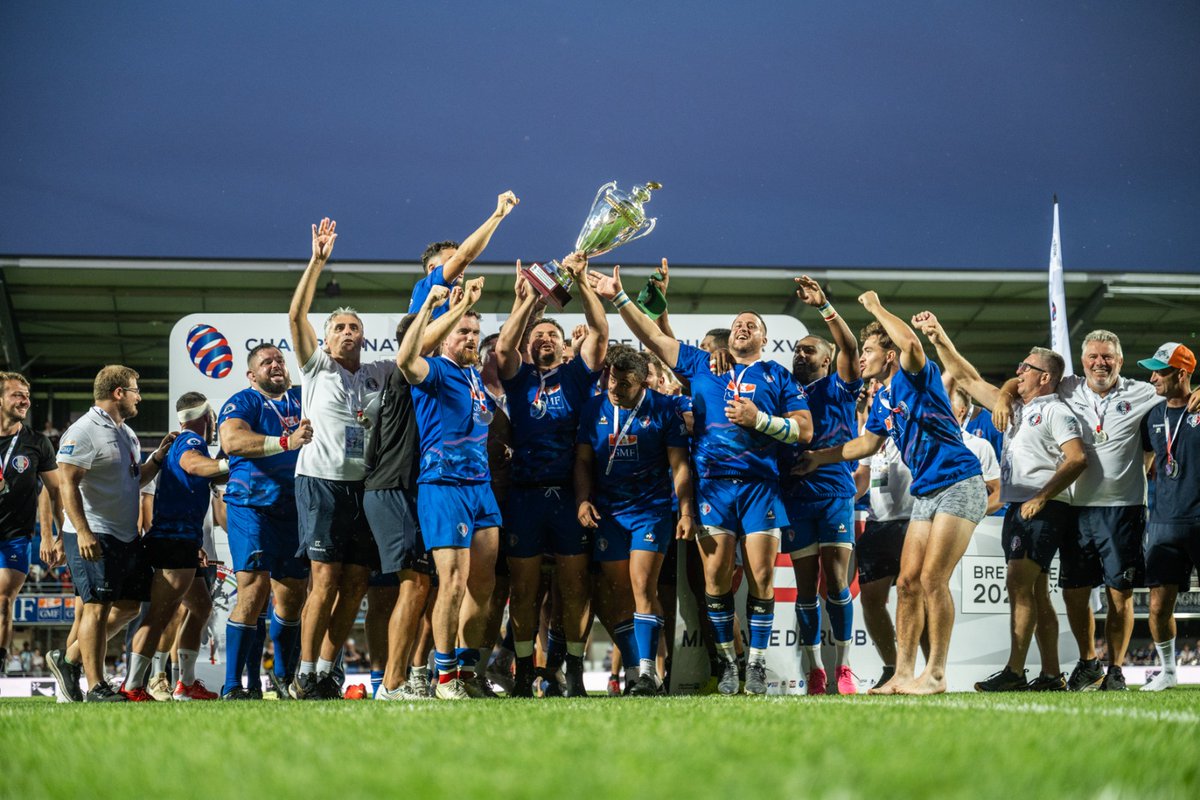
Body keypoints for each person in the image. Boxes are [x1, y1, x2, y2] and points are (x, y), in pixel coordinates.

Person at [587, 264, 812, 695]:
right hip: (713, 487)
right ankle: (729, 663)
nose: (743, 327)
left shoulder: (777, 376)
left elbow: (804, 430)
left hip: (760, 487)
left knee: (763, 577)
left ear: (764, 339)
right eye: (737, 324)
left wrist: (759, 419)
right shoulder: (701, 364)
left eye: (752, 325)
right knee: (715, 580)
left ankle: (758, 667)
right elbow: (653, 338)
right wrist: (618, 297)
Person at [801, 294, 986, 695]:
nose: (861, 357)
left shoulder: (912, 373)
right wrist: (818, 457)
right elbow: (865, 444)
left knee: (933, 579)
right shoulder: (883, 398)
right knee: (906, 582)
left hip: (959, 482)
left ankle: (935, 674)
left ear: (888, 354)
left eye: (868, 350)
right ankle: (902, 673)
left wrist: (875, 309)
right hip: (926, 492)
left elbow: (913, 344)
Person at [994, 331, 1187, 691]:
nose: (1100, 363)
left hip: (1123, 508)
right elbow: (1024, 377)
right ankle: (1088, 663)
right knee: (1075, 592)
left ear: (1120, 361)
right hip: (1078, 509)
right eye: (1093, 357)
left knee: (1120, 594)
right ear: (1083, 362)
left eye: (1108, 357)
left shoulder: (1140, 392)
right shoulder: (1067, 387)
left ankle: (1115, 670)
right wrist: (1005, 394)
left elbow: (1176, 390)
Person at [913, 313, 1088, 692]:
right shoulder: (1016, 407)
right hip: (1020, 505)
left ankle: (1014, 671)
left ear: (1045, 377)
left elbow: (1077, 458)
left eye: (1026, 367)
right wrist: (939, 336)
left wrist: (1042, 497)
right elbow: (967, 378)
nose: (1018, 371)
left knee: (1019, 587)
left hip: (1040, 507)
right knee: (1036, 592)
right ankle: (1051, 674)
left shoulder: (1056, 410)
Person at [288, 217, 396, 699]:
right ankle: (303, 672)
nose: (348, 333)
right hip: (321, 482)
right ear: (327, 338)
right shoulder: (317, 368)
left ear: (365, 338)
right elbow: (296, 317)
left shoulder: (377, 372)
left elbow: (420, 350)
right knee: (325, 581)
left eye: (355, 328)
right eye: (339, 327)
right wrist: (316, 262)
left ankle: (328, 669)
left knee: (355, 586)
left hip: (366, 488)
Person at [496, 252, 607, 696]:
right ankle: (525, 671)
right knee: (522, 591)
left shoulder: (578, 377)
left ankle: (574, 671)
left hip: (569, 495)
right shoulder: (519, 379)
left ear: (564, 347)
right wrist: (527, 301)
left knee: (574, 587)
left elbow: (599, 331)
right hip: (524, 495)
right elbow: (504, 348)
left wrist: (580, 281)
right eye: (538, 335)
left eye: (552, 335)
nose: (544, 339)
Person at [575, 348, 700, 696]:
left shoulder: (664, 409)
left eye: (625, 384)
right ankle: (635, 667)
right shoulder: (593, 408)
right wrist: (582, 499)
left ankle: (647, 671)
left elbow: (680, 466)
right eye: (612, 380)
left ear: (643, 380)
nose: (616, 389)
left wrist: (686, 511)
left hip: (650, 509)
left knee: (643, 585)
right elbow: (583, 461)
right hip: (608, 512)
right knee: (617, 592)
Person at [398, 278, 499, 699]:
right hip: (444, 485)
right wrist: (446, 310)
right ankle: (443, 679)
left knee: (483, 585)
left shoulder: (476, 377)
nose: (472, 338)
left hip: (481, 488)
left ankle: (468, 670)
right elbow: (406, 359)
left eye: (475, 333)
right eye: (463, 332)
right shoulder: (435, 369)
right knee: (452, 583)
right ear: (445, 338)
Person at [368, 309, 471, 701]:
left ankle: (410, 678)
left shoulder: (442, 381)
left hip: (413, 492)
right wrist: (450, 304)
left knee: (425, 587)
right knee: (413, 585)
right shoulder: (403, 371)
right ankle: (391, 686)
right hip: (391, 489)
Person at [55, 365, 174, 701]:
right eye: (136, 390)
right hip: (94, 532)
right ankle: (95, 686)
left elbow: (135, 480)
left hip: (125, 535)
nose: (140, 396)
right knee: (97, 607)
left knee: (129, 607)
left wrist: (158, 457)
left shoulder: (127, 432)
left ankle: (68, 659)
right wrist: (83, 531)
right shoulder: (84, 430)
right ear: (119, 393)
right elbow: (67, 482)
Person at [780, 277, 863, 696]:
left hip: (834, 493)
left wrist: (825, 306)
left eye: (808, 349)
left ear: (827, 360)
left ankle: (843, 668)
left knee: (835, 582)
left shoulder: (840, 386)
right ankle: (814, 671)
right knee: (805, 586)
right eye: (797, 349)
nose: (800, 353)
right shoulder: (786, 391)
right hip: (796, 498)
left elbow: (850, 348)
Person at [217, 344, 313, 699]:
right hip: (251, 505)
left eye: (279, 360)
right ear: (251, 374)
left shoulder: (304, 396)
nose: (275, 365)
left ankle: (285, 680)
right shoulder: (243, 401)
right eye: (266, 362)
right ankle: (232, 686)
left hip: (295, 508)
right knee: (254, 589)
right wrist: (285, 441)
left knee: (291, 599)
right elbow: (232, 440)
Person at [121, 393, 229, 701]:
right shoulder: (191, 442)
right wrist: (230, 462)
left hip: (185, 541)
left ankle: (186, 683)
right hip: (174, 541)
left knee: (201, 607)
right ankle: (133, 686)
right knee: (160, 615)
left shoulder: (181, 442)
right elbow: (193, 465)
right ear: (206, 418)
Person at [1137, 342, 1198, 691]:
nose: (1153, 377)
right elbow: (1147, 460)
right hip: (1163, 523)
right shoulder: (1152, 415)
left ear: (1183, 374)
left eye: (1160, 371)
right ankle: (1168, 672)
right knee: (1158, 605)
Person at [0, 372, 62, 676]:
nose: (24, 400)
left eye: (26, 395)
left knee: (2, 602)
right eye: (16, 394)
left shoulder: (36, 443)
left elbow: (56, 491)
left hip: (15, 537)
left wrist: (57, 535)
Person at [408, 191, 519, 319]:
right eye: (450, 260)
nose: (462, 268)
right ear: (432, 268)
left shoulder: (453, 300)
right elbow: (463, 257)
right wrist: (498, 215)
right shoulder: (428, 285)